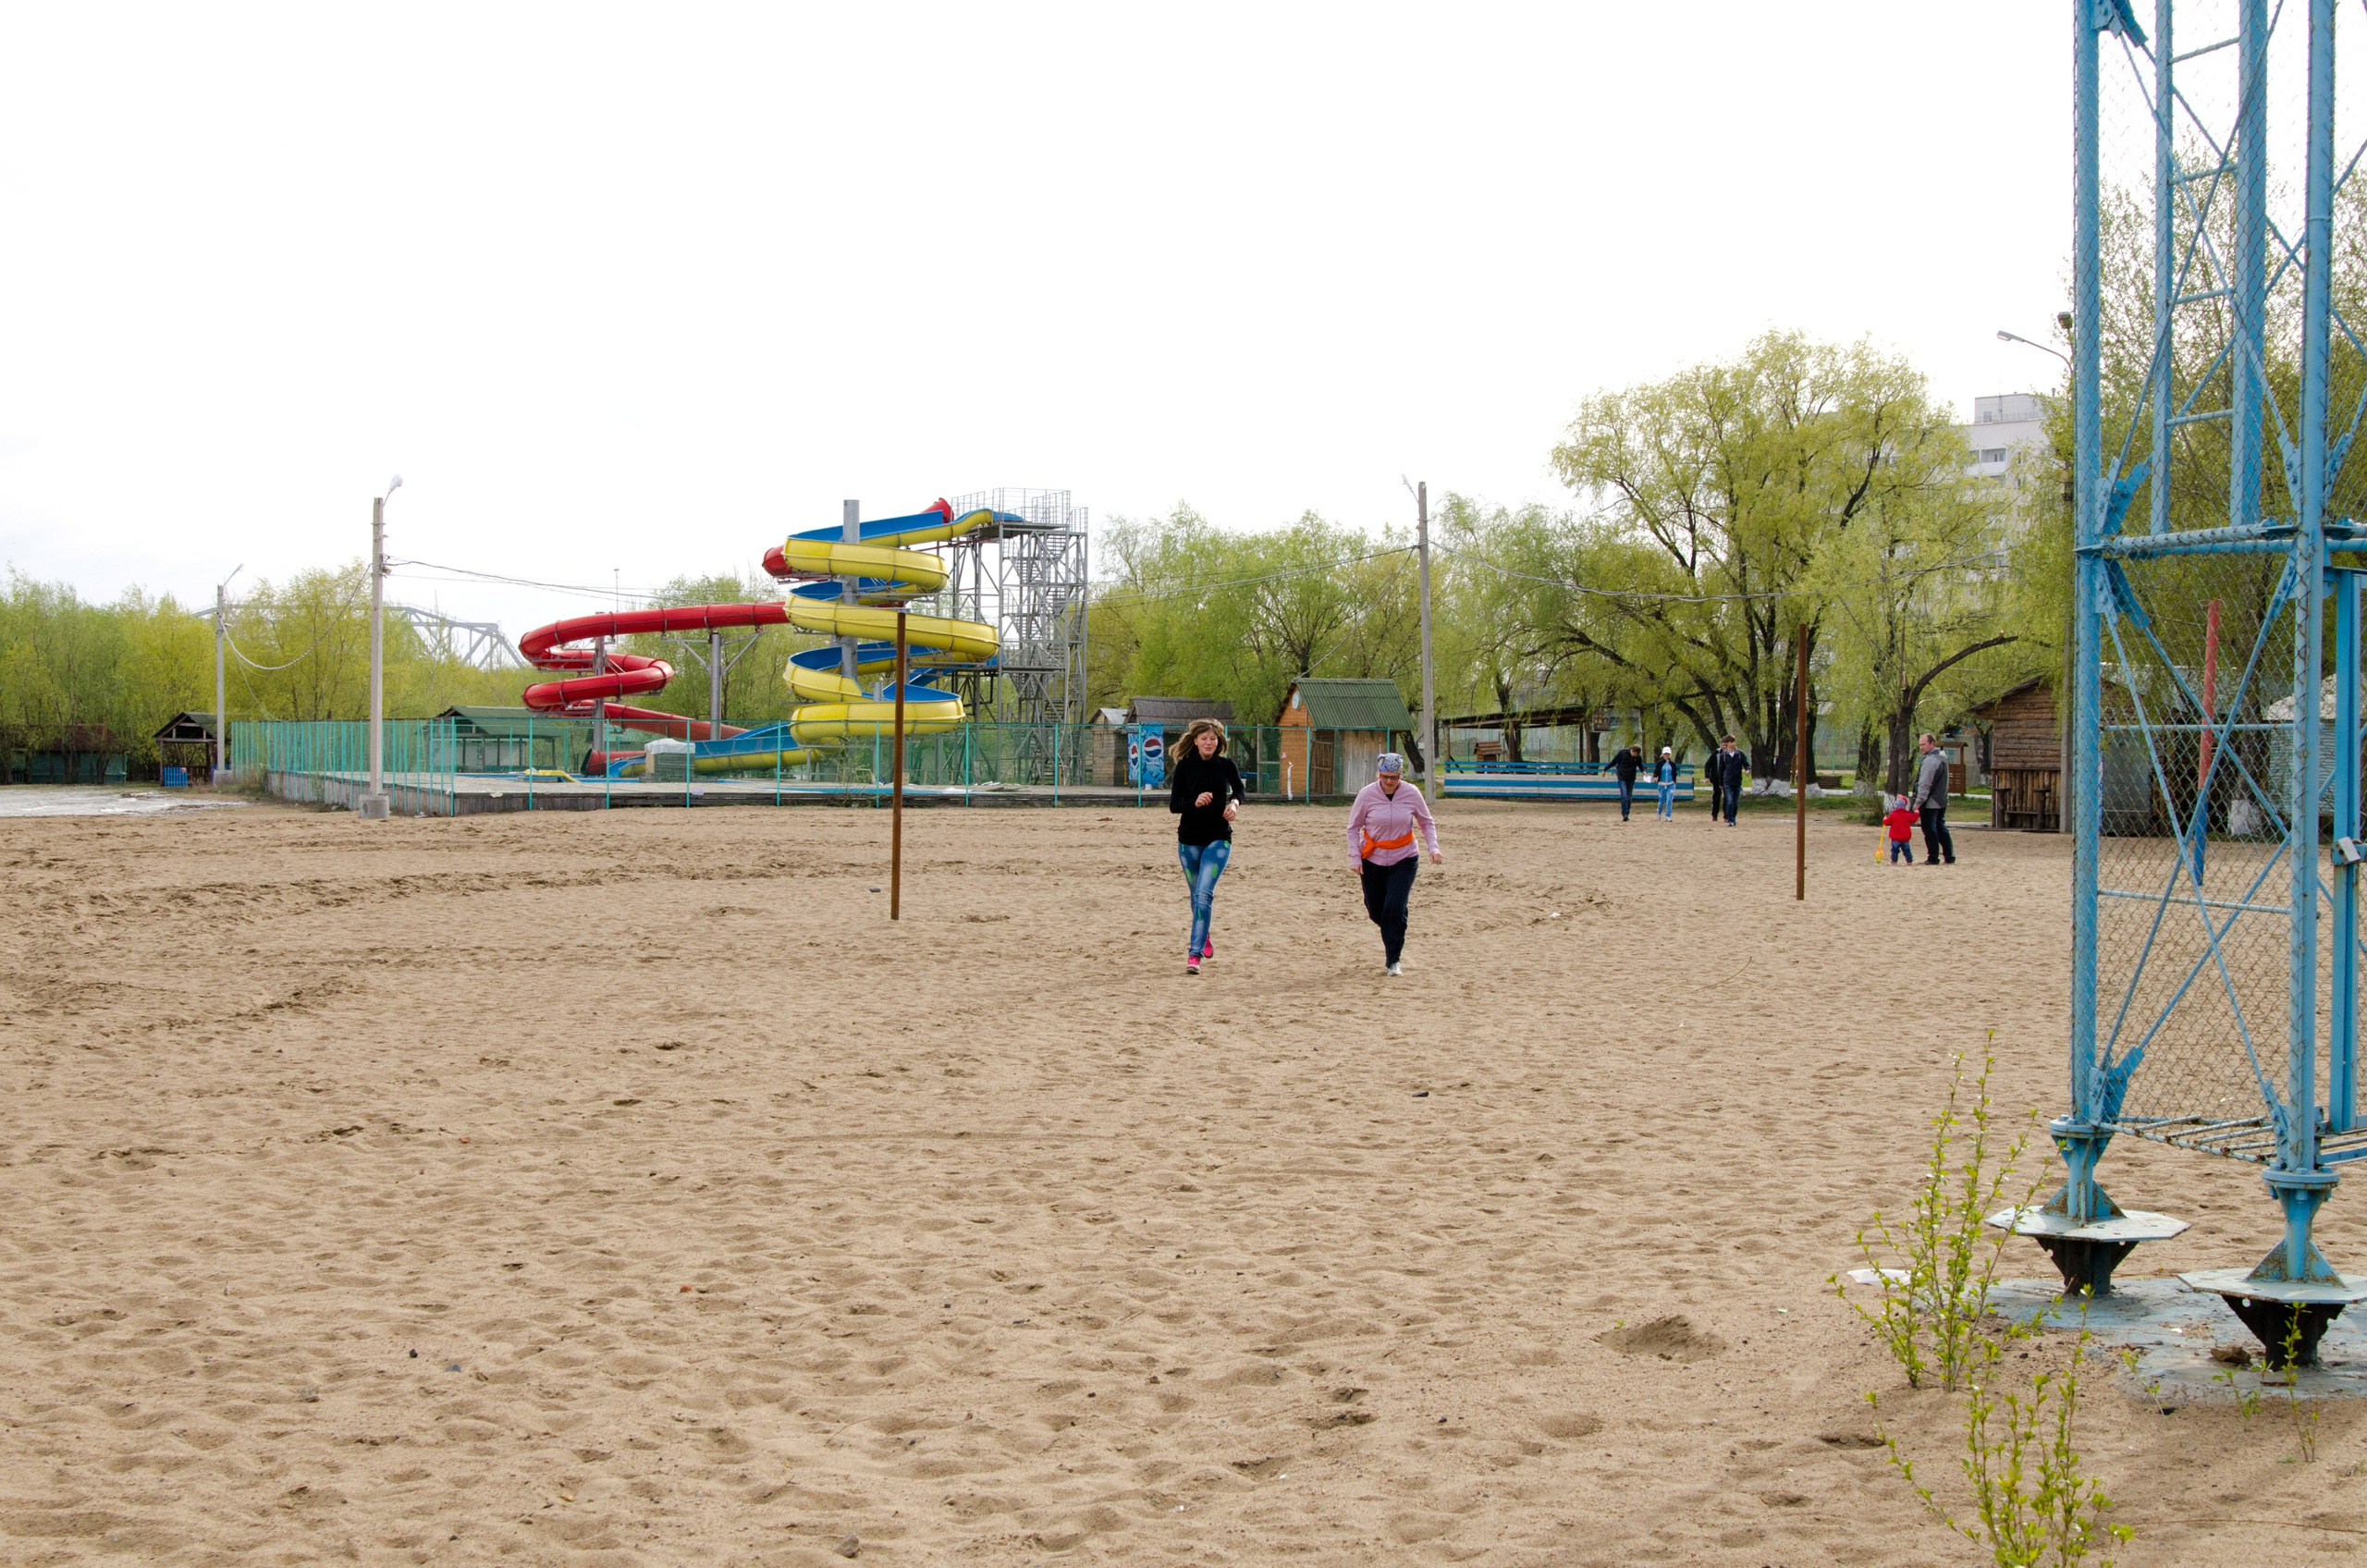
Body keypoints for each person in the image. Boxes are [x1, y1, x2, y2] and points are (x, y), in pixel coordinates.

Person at [1344, 753, 1442, 976]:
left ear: (1401, 776)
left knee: (1395, 907)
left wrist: (1433, 848)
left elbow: (1426, 822)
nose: (1389, 781)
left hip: (1404, 858)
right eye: (1385, 776)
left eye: (1394, 777)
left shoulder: (1412, 793)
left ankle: (1393, 961)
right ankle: (1394, 924)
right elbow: (1353, 828)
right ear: (1378, 775)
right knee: (1376, 911)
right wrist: (1354, 857)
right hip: (1373, 859)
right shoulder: (1366, 795)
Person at [1168, 717, 1245, 974]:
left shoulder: (1226, 765)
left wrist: (1234, 804)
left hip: (1218, 839)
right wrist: (1195, 802)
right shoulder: (1185, 767)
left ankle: (1194, 954)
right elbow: (1174, 805)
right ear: (1196, 741)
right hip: (1188, 842)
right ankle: (1204, 935)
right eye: (1204, 738)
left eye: (1213, 738)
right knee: (1196, 896)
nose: (1209, 742)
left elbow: (1239, 790)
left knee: (1204, 894)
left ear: (1219, 741)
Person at [1911, 732, 1956, 865]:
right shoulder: (1942, 758)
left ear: (1932, 744)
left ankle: (1933, 857)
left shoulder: (1930, 761)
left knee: (1929, 829)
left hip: (1931, 801)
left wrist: (1919, 802)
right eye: (1920, 745)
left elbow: (1925, 783)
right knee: (1940, 827)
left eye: (1923, 744)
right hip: (1941, 800)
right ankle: (1949, 856)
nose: (1921, 747)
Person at [1707, 735, 1746, 827]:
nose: (1732, 744)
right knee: (1724, 799)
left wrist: (1747, 769)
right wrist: (1710, 777)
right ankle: (1720, 816)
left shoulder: (1739, 753)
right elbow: (1715, 767)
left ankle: (1730, 817)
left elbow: (1745, 764)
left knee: (1733, 802)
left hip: (1734, 780)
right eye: (1725, 744)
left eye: (1733, 742)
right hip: (1722, 780)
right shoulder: (1720, 754)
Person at [1607, 742, 1643, 821]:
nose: (1636, 756)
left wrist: (1643, 771)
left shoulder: (1638, 757)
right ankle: (1624, 814)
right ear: (1632, 750)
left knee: (1629, 797)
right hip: (1622, 777)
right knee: (1624, 795)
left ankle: (1627, 813)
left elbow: (1640, 765)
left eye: (1637, 754)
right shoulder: (1622, 753)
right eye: (1635, 754)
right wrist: (1605, 769)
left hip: (1631, 778)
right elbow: (1614, 762)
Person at [1884, 793, 1917, 864]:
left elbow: (1887, 822)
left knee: (1894, 850)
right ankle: (1909, 861)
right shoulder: (1907, 815)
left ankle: (1894, 861)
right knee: (1907, 850)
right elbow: (1914, 819)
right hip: (1905, 837)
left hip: (1895, 837)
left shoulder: (1893, 815)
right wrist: (1916, 813)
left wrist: (1885, 819)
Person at [1653, 746, 1677, 821]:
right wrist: (1655, 777)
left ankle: (1668, 816)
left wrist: (1674, 782)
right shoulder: (1659, 764)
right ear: (1663, 754)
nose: (1666, 755)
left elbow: (1674, 773)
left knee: (1669, 800)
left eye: (1668, 754)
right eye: (1665, 754)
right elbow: (1656, 772)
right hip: (1662, 784)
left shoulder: (1672, 764)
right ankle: (1659, 813)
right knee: (1661, 801)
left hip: (1671, 784)